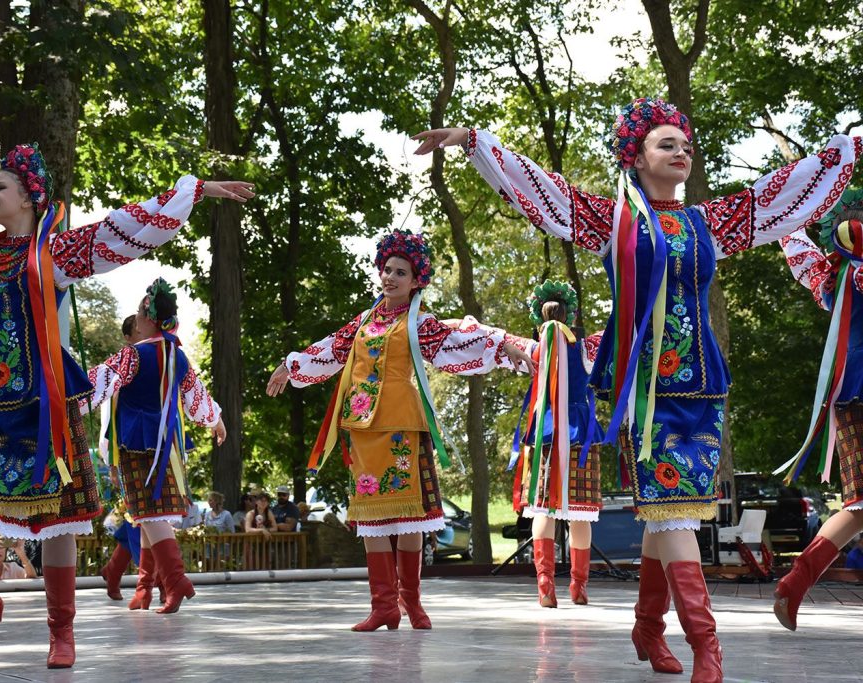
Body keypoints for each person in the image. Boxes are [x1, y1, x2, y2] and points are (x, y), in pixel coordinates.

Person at [412, 98, 859, 680]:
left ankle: (649, 628)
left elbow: (777, 195)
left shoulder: (709, 222)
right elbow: (542, 192)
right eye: (666, 144)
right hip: (644, 393)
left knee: (668, 518)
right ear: (637, 155)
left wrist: (848, 147)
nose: (681, 153)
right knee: (673, 518)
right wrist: (474, 142)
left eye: (685, 145)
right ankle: (707, 647)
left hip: (702, 390)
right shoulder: (613, 221)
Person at [0, 143, 252, 680]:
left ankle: (62, 633)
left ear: (30, 199)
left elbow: (125, 228)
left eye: (0, 186)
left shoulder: (55, 254)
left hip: (44, 406)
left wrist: (195, 189)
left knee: (56, 522)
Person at [267, 228, 534, 631]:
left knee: (410, 517)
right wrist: (291, 366)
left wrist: (502, 347)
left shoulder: (419, 323)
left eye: (400, 272)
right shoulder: (363, 323)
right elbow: (331, 349)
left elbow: (460, 338)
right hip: (361, 428)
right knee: (372, 519)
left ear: (416, 281)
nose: (390, 277)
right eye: (387, 269)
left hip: (403, 425)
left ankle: (411, 601)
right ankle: (383, 606)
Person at [86, 278, 226, 614]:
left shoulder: (133, 355)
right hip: (167, 445)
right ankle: (145, 588)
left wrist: (65, 395)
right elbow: (197, 398)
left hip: (135, 441)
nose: (136, 318)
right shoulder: (179, 357)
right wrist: (215, 421)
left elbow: (98, 382)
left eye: (138, 313)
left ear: (149, 319)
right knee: (150, 514)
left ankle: (175, 581)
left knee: (149, 514)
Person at [775, 190, 863, 629]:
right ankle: (796, 582)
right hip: (855, 397)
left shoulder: (832, 276)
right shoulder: (846, 277)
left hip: (848, 397)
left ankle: (796, 581)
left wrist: (791, 210)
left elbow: (794, 242)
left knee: (860, 504)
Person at [510, 281, 604, 607]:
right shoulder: (588, 347)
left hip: (545, 432)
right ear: (570, 315)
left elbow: (497, 347)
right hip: (581, 433)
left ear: (540, 318)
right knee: (581, 514)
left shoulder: (534, 349)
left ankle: (545, 582)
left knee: (545, 508)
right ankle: (579, 585)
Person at [97, 315, 146, 602]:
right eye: (137, 330)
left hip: (152, 448)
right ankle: (148, 579)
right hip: (128, 449)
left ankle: (113, 570)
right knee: (139, 516)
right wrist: (112, 462)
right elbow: (111, 418)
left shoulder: (157, 360)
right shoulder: (122, 367)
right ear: (128, 337)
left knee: (140, 516)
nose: (143, 332)